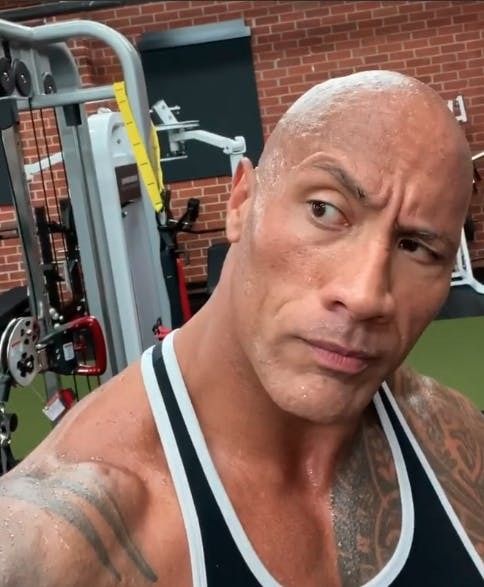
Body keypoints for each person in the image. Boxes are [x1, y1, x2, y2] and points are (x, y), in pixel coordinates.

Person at [1, 70, 483, 587]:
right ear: (241, 202)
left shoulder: (453, 438)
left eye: (415, 246)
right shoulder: (54, 541)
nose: (366, 295)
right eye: (325, 210)